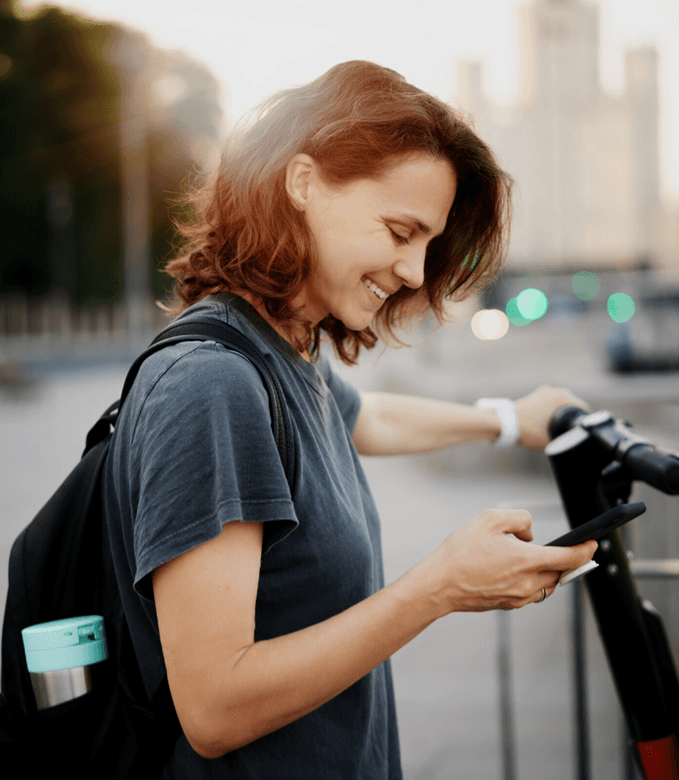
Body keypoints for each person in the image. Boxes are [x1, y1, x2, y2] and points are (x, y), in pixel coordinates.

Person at [104, 60, 597, 779]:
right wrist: (439, 588)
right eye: (402, 231)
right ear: (302, 183)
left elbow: (365, 419)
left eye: (428, 245)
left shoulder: (285, 353)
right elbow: (213, 708)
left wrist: (507, 418)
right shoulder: (214, 386)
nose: (416, 274)